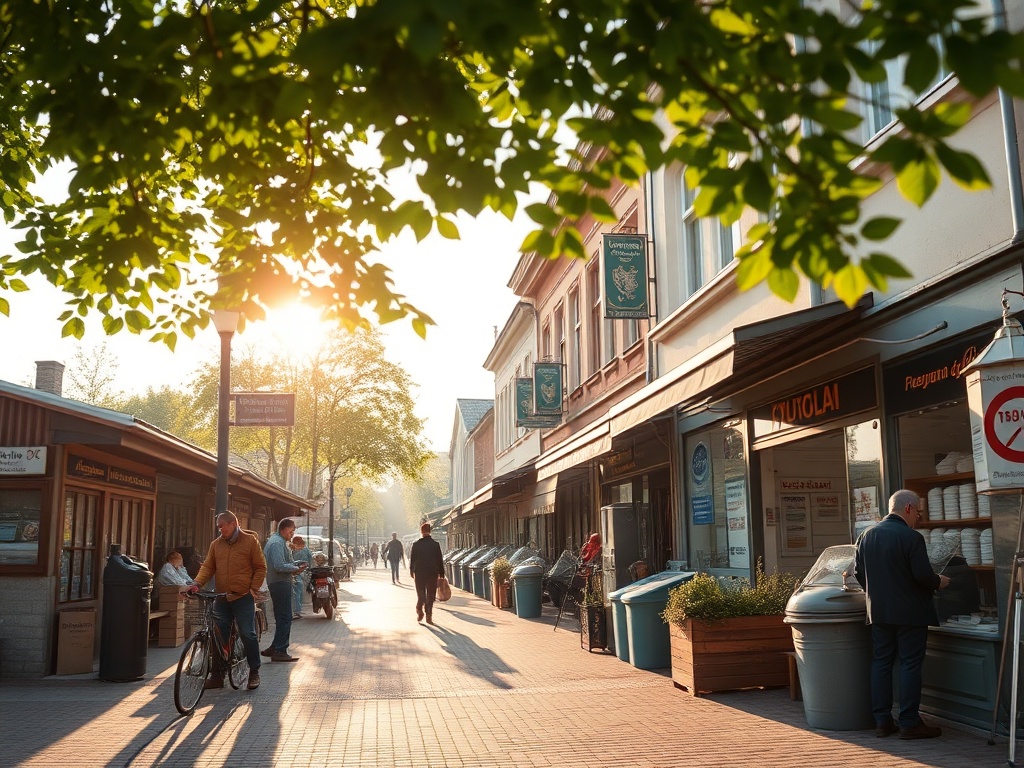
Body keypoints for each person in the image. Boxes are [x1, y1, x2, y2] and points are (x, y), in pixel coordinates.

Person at [855, 489, 951, 740]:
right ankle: (909, 722)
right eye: (918, 512)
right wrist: (938, 581)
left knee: (881, 663)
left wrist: (877, 594)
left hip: (879, 612)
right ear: (908, 508)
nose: (918, 518)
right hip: (911, 613)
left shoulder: (866, 535)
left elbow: (858, 572)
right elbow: (922, 576)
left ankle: (883, 721)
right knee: (910, 664)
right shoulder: (911, 538)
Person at [187, 512, 266, 691]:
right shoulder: (216, 545)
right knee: (217, 635)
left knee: (248, 633)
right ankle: (217, 676)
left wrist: (253, 587)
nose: (220, 529)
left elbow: (260, 567)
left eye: (223, 525)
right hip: (221, 597)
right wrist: (197, 583)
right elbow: (208, 566)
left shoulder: (250, 541)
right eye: (219, 526)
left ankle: (254, 671)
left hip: (243, 596)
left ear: (233, 523)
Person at [262, 519, 307, 662]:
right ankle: (280, 650)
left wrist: (295, 564)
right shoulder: (277, 543)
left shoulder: (278, 541)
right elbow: (279, 565)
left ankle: (275, 646)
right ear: (283, 529)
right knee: (285, 617)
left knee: (282, 617)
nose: (292, 534)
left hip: (279, 582)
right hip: (280, 583)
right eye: (291, 530)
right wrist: (295, 568)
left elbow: (282, 562)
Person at [409, 522, 444, 624]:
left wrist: (411, 571)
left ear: (421, 531)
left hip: (419, 573)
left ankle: (419, 609)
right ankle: (429, 615)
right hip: (432, 573)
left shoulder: (416, 545)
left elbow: (412, 559)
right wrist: (441, 573)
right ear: (430, 531)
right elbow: (439, 560)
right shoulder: (435, 545)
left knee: (421, 594)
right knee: (431, 594)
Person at [290, 536, 313, 618]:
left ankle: (297, 610)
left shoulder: (293, 551)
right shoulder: (305, 550)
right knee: (298, 590)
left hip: (297, 572)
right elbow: (311, 559)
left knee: (297, 590)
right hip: (299, 572)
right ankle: (297, 610)